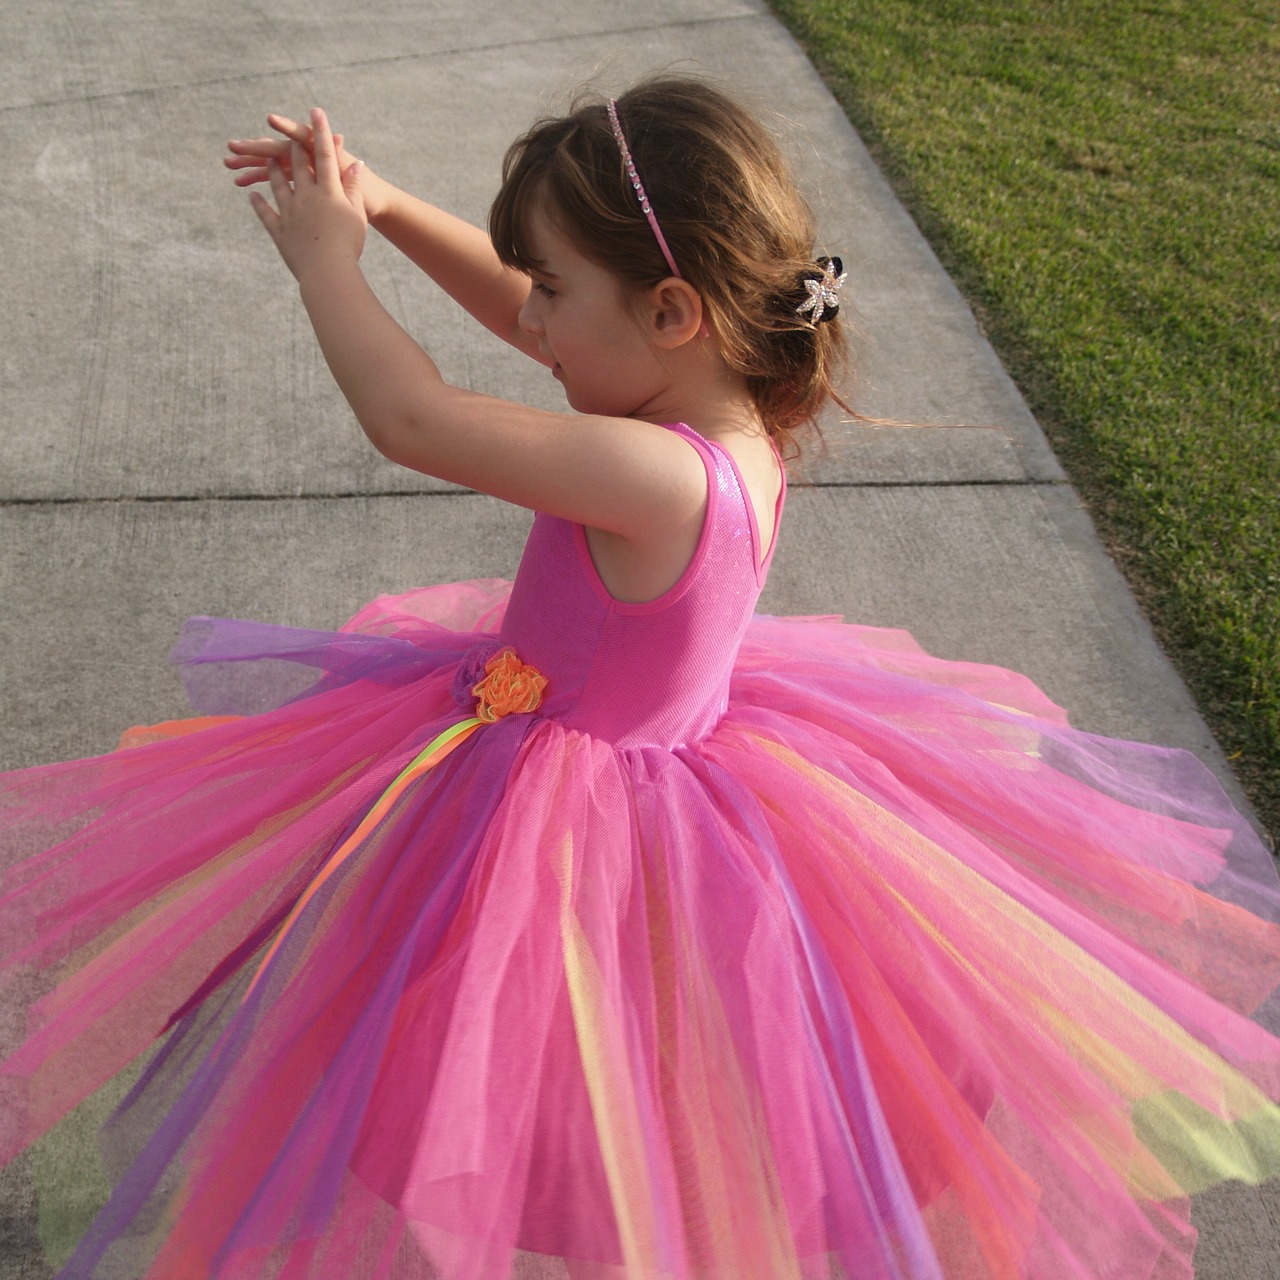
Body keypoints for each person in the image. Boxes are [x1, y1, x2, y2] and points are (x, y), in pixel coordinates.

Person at [2, 75, 1280, 1280]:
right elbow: (516, 315)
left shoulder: (657, 475)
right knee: (619, 1065)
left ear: (672, 311)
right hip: (613, 747)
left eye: (553, 289)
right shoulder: (730, 418)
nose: (529, 319)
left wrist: (327, 257)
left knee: (569, 1055)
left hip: (570, 807)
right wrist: (381, 203)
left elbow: (417, 421)